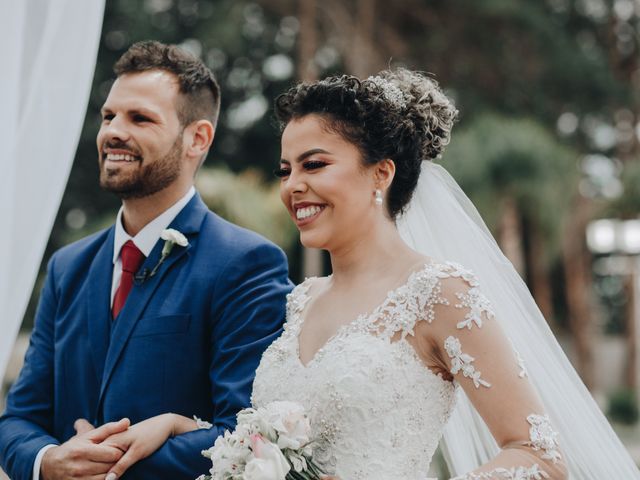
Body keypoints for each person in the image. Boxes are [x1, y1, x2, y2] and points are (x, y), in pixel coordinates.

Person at [248, 70, 640, 479]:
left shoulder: (438, 292)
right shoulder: (303, 300)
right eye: (285, 170)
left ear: (381, 173)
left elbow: (540, 457)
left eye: (313, 164)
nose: (292, 185)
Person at [0, 41, 292, 480]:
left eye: (140, 118)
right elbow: (18, 420)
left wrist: (100, 464)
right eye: (109, 116)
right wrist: (49, 462)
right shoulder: (68, 267)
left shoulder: (247, 263)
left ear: (198, 138)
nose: (114, 131)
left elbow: (249, 432)